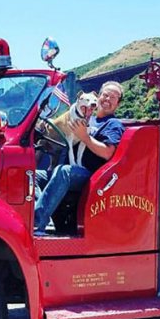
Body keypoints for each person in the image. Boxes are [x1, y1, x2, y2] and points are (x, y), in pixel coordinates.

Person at [34, 81, 126, 235]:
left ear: (118, 104)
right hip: (71, 170)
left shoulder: (113, 124)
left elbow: (108, 152)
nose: (107, 99)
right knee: (33, 175)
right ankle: (43, 218)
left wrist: (85, 137)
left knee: (64, 171)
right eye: (105, 95)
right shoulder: (87, 118)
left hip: (93, 176)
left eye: (113, 97)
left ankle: (38, 224)